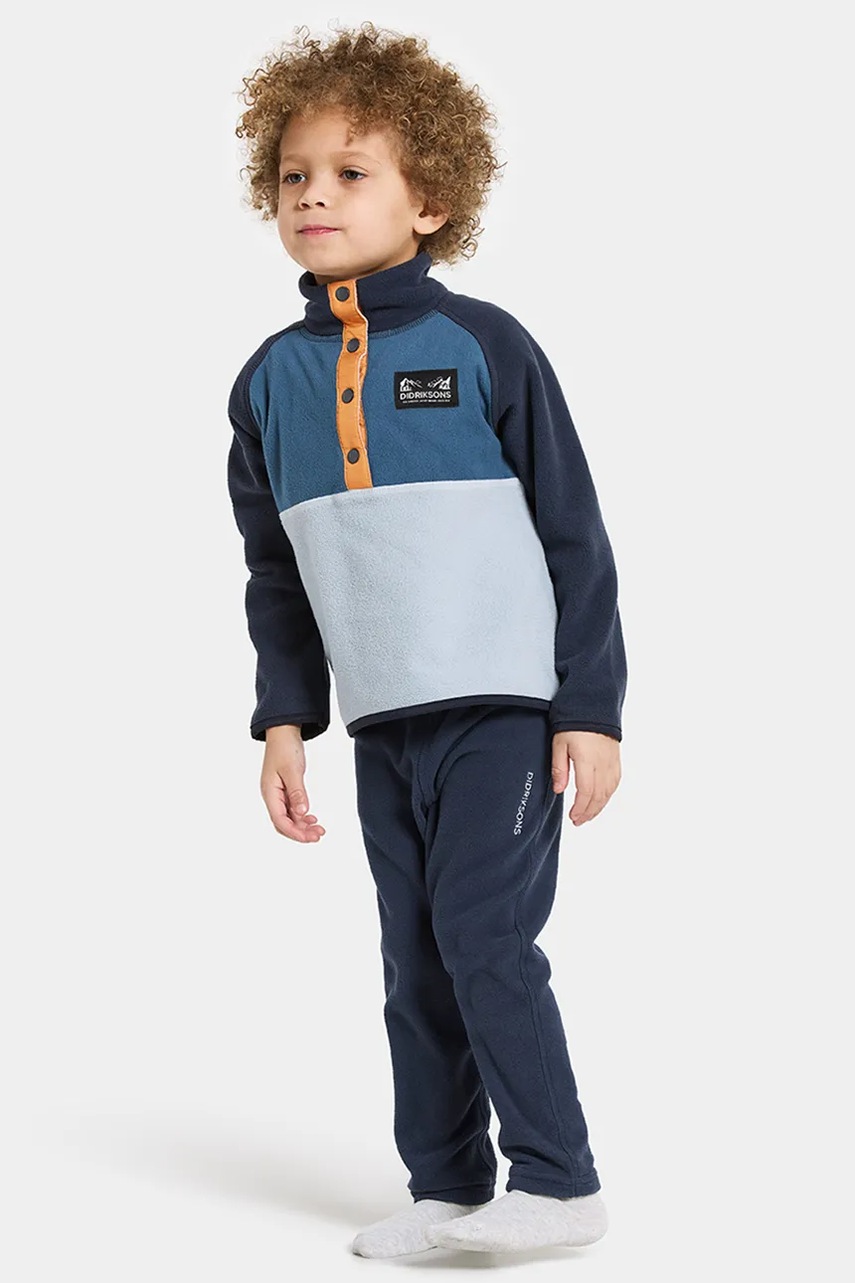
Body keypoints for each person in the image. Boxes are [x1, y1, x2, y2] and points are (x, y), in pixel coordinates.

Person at [227, 21, 626, 1259]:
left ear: (431, 199)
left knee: (484, 935)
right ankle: (448, 1184)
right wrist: (284, 717)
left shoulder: (484, 347)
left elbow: (575, 533)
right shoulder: (266, 383)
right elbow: (277, 573)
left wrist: (591, 707)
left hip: (505, 708)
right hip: (383, 720)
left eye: (351, 173)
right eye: (295, 174)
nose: (314, 195)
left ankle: (558, 1180)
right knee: (413, 954)